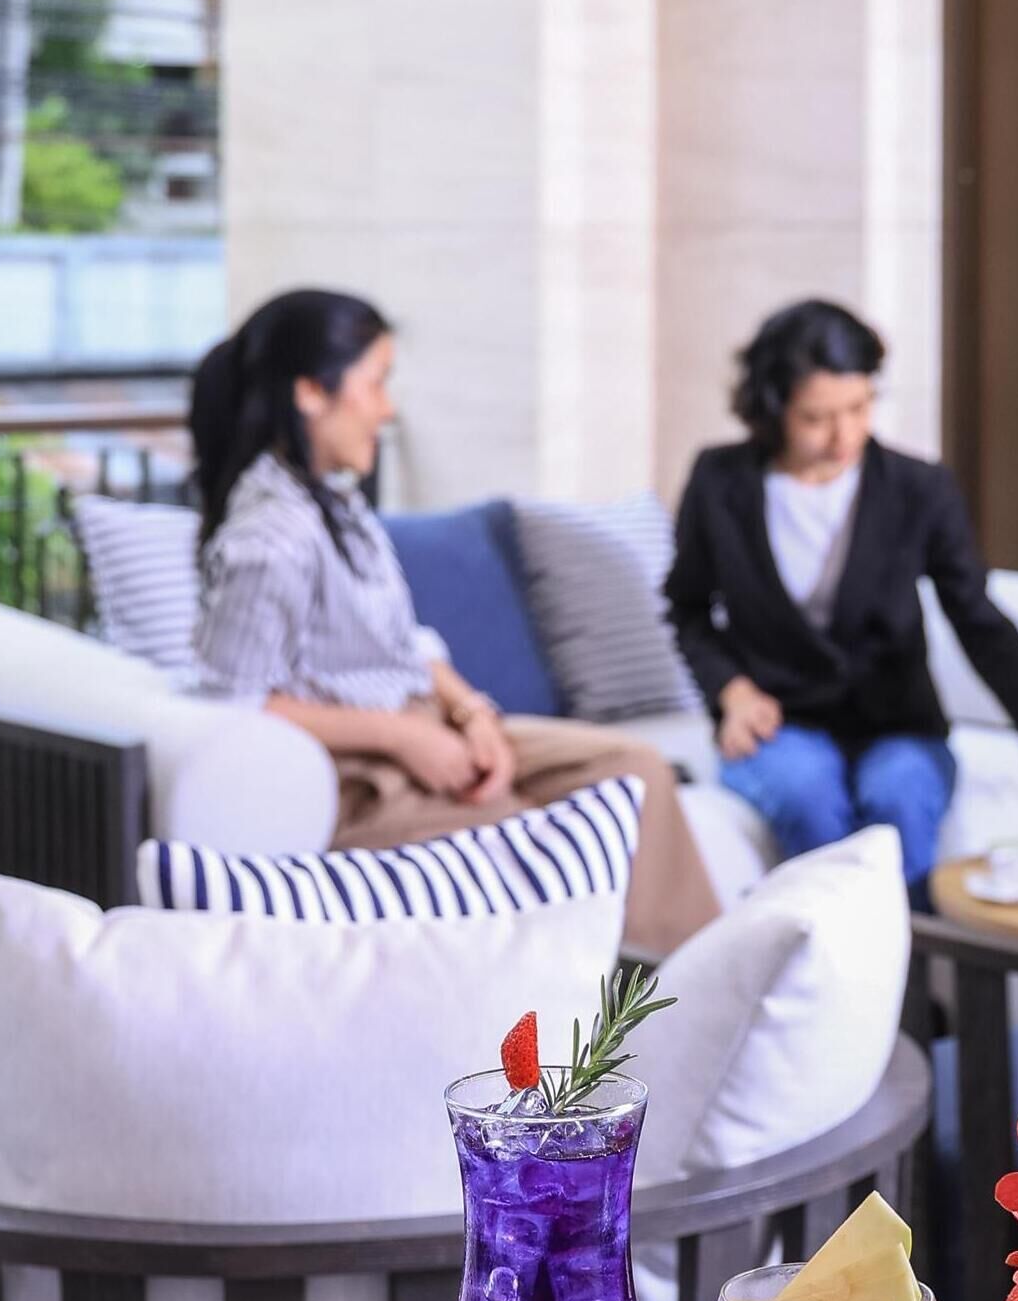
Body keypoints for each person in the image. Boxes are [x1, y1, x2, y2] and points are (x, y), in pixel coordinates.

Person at [188, 289, 718, 955]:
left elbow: (406, 644)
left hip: (425, 726)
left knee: (635, 769)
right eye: (375, 384)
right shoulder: (267, 538)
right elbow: (238, 701)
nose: (387, 409)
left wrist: (472, 714)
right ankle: (609, 1021)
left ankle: (691, 992)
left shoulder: (337, 506)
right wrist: (403, 740)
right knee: (542, 837)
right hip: (362, 770)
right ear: (309, 393)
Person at [664, 296, 1018, 898]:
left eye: (859, 406)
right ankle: (835, 984)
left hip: (898, 724)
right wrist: (733, 690)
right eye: (816, 418)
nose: (844, 435)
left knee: (899, 798)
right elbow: (688, 610)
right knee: (808, 797)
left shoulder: (918, 489)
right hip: (780, 723)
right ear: (773, 411)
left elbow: (980, 624)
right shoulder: (721, 483)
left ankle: (908, 981)